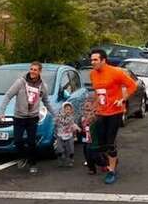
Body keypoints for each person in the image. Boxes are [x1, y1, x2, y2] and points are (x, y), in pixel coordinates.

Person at [0, 61, 57, 174]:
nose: (32, 71)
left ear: (39, 71)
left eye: (35, 70)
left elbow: (46, 102)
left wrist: (55, 115)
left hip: (33, 117)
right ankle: (23, 156)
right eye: (31, 69)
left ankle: (33, 163)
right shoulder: (20, 82)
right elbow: (8, 95)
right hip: (19, 117)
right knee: (18, 140)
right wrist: (1, 112)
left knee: (31, 142)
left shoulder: (43, 86)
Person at [89, 49, 138, 184]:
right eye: (91, 60)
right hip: (100, 112)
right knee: (100, 144)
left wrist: (122, 99)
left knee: (110, 143)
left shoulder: (116, 72)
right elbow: (97, 92)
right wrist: (93, 107)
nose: (92, 62)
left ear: (103, 60)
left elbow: (132, 86)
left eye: (95, 60)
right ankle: (112, 159)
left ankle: (111, 171)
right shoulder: (92, 74)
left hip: (114, 112)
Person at [54, 101, 81, 167]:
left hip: (69, 135)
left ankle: (70, 160)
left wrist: (77, 128)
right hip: (60, 135)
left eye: (69, 109)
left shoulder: (71, 117)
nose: (68, 111)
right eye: (66, 109)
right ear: (63, 109)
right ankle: (61, 158)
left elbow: (73, 124)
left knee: (71, 149)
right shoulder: (59, 116)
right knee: (59, 149)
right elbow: (55, 123)